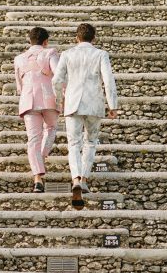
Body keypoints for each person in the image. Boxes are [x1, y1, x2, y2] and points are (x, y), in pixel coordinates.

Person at [52, 22, 118, 210]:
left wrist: (59, 100)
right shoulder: (100, 54)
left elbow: (57, 80)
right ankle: (85, 178)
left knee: (74, 143)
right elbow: (108, 80)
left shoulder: (67, 54)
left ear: (76, 37)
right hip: (94, 103)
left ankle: (75, 179)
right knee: (90, 142)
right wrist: (112, 105)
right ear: (94, 38)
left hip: (72, 103)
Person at [13, 26, 60, 192]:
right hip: (48, 99)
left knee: (33, 139)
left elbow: (19, 86)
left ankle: (37, 178)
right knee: (52, 128)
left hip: (28, 100)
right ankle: (42, 156)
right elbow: (59, 75)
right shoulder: (50, 53)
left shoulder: (19, 59)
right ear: (46, 41)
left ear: (30, 41)